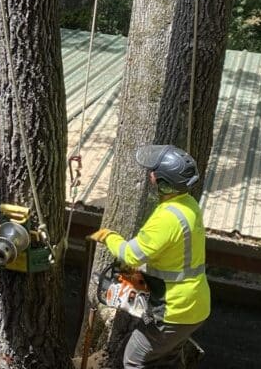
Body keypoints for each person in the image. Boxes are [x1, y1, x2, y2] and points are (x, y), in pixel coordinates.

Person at [88, 145, 211, 368]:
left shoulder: (165, 219)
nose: (150, 176)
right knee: (168, 359)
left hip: (174, 309)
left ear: (165, 183)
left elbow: (131, 255)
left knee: (134, 360)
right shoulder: (187, 204)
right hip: (195, 304)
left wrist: (109, 237)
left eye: (154, 174)